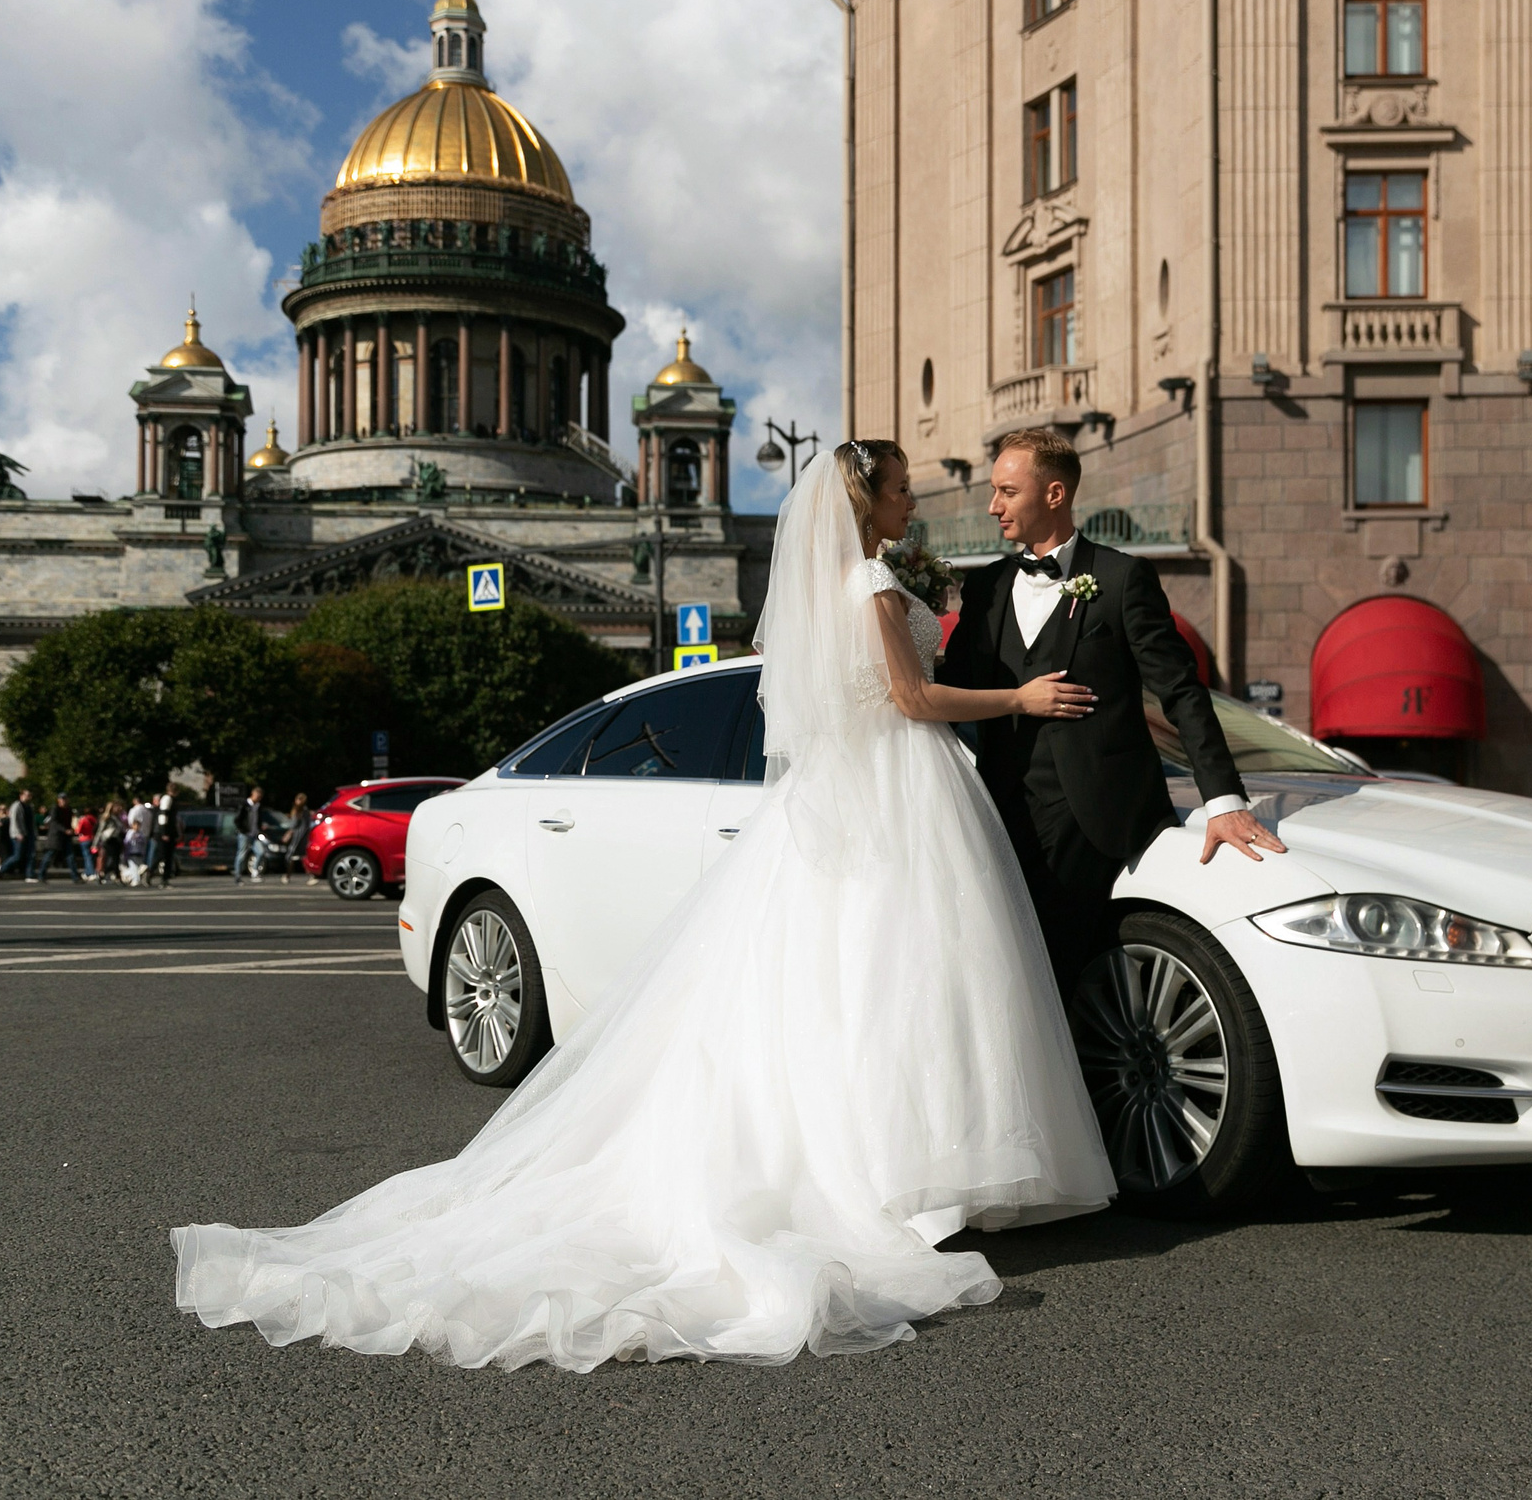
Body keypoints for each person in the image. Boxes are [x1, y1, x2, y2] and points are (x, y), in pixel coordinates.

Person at [173, 441, 1116, 1371]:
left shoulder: (836, 594)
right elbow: (908, 697)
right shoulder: (866, 585)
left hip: (855, 803)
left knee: (856, 992)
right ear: (864, 504)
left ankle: (905, 1178)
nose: (916, 505)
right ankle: (901, 1181)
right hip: (889, 798)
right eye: (906, 491)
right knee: (883, 986)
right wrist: (1021, 697)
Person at [936, 428, 1282, 988]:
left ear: (1054, 495)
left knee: (1068, 975)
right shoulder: (987, 588)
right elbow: (948, 694)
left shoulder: (1122, 579)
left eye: (1006, 491)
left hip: (1098, 823)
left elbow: (1181, 691)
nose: (992, 505)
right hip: (998, 818)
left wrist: (1223, 801)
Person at [32, 794, 71, 883]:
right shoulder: (55, 809)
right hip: (56, 836)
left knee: (70, 856)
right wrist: (65, 830)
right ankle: (41, 874)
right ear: (58, 800)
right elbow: (54, 822)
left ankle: (75, 876)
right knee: (49, 855)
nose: (64, 801)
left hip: (64, 836)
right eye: (62, 799)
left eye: (65, 799)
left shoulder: (68, 809)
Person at [234, 787, 268, 882]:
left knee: (260, 852)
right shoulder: (245, 805)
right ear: (253, 794)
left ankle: (255, 872)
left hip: (254, 834)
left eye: (260, 797)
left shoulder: (258, 806)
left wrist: (260, 828)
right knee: (241, 854)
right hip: (245, 834)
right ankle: (238, 875)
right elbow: (237, 819)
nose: (258, 799)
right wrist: (242, 829)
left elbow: (258, 819)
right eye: (257, 796)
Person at [2, 791, 37, 880]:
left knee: (31, 855)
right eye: (27, 795)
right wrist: (18, 833)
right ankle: (2, 868)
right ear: (21, 796)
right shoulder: (16, 806)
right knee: (18, 856)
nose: (28, 797)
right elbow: (14, 820)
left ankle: (29, 874)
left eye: (30, 795)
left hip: (29, 833)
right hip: (19, 834)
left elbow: (32, 822)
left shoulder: (30, 806)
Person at [279, 793, 311, 882]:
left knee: (290, 856)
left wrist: (288, 833)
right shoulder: (306, 810)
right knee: (303, 857)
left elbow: (294, 824)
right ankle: (311, 875)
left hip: (297, 835)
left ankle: (287, 876)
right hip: (304, 836)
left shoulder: (298, 810)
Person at [153, 792, 181, 887]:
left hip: (167, 832)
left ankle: (164, 878)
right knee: (163, 855)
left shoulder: (169, 802)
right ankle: (150, 872)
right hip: (164, 833)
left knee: (167, 856)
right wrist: (164, 832)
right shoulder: (166, 802)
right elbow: (163, 817)